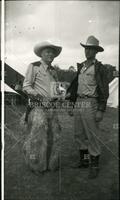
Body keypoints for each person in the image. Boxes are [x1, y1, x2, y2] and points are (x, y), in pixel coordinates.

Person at [66, 35, 116, 179]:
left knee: (92, 135)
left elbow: (104, 91)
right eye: (86, 49)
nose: (87, 51)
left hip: (91, 103)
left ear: (96, 51)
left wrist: (101, 110)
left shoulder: (100, 68)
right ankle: (84, 161)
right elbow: (75, 87)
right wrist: (71, 103)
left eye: (90, 49)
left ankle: (94, 166)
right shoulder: (81, 67)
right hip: (80, 102)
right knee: (79, 134)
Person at [22, 41, 62, 175]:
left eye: (52, 52)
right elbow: (26, 86)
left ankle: (51, 164)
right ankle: (36, 166)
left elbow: (56, 90)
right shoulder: (34, 66)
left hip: (51, 109)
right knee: (37, 139)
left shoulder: (54, 71)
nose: (51, 54)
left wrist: (60, 96)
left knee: (53, 136)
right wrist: (41, 98)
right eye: (47, 52)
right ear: (42, 54)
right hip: (38, 108)